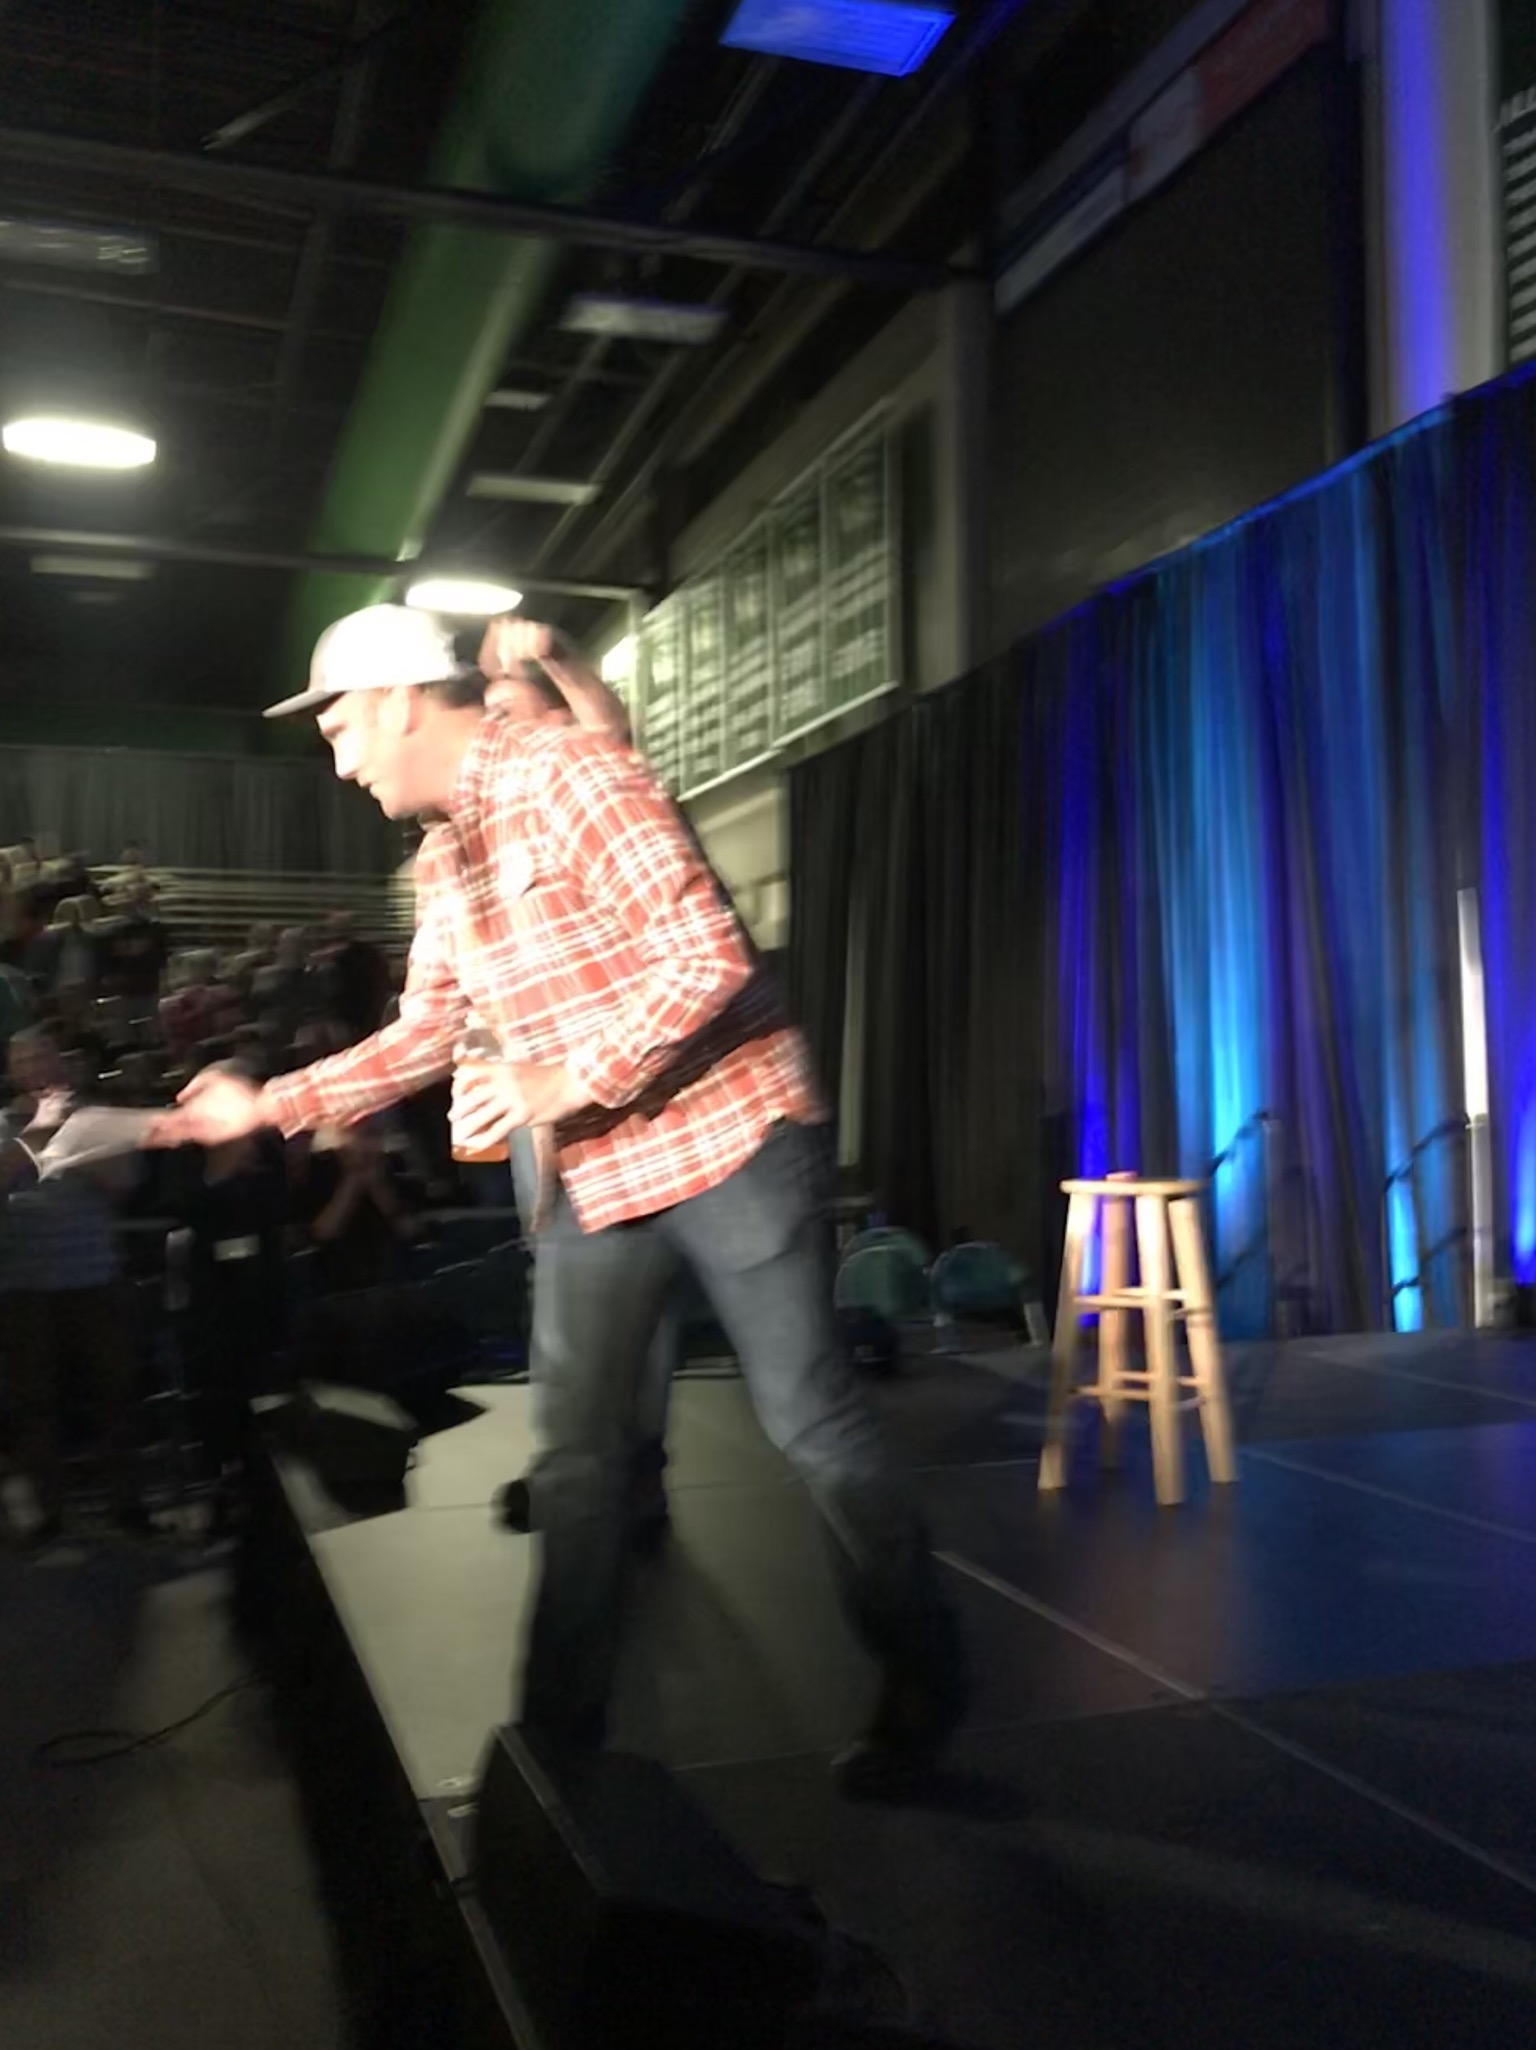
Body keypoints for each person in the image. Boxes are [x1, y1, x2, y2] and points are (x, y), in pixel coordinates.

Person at [157, 603, 964, 1796]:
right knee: (576, 1457)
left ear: (399, 701)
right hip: (599, 1170)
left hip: (731, 1139)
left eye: (339, 729)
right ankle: (556, 1747)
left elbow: (708, 956)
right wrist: (265, 1104)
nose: (338, 760)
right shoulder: (443, 857)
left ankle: (925, 1676)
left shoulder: (573, 772)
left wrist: (563, 1077)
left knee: (810, 1423)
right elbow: (427, 1030)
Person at [0, 1024, 148, 1546]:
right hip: (23, 1284)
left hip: (92, 1277)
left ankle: (127, 1505)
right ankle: (49, 1513)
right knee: (34, 1402)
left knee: (115, 1393)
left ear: (60, 1063)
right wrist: (37, 1134)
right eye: (22, 1060)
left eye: (41, 1057)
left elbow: (123, 1182)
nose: (33, 1068)